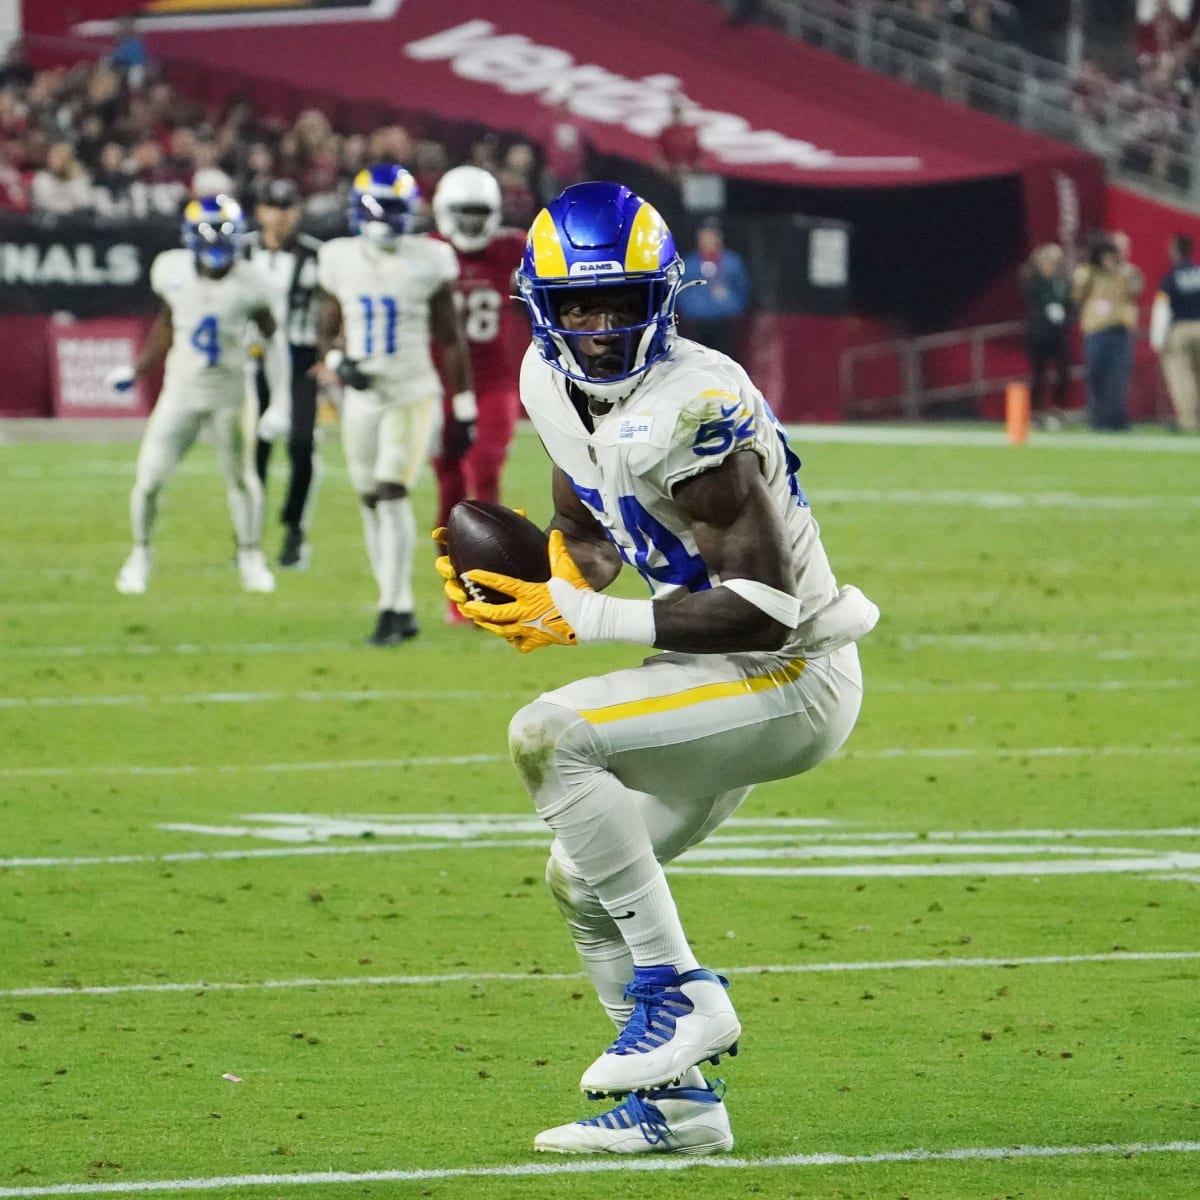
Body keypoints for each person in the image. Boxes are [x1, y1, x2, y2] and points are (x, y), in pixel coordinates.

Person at [435, 182, 878, 1154]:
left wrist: (582, 617)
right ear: (542, 307)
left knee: (549, 738)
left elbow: (764, 604)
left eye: (620, 303)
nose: (597, 328)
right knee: (582, 879)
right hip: (714, 670)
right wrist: (528, 593)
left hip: (790, 673)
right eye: (578, 307)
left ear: (663, 298)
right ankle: (681, 1111)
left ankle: (681, 995)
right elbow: (587, 530)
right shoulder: (549, 382)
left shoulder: (695, 399)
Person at [315, 163, 473, 646]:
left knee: (391, 491)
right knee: (368, 498)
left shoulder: (429, 258)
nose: (386, 219)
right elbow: (323, 330)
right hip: (362, 395)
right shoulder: (339, 257)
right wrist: (341, 362)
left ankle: (394, 604)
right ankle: (395, 604)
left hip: (412, 391)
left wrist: (463, 408)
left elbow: (450, 339)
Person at [108, 195, 288, 595]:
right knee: (149, 479)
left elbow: (275, 343)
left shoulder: (254, 283)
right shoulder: (172, 271)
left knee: (242, 479)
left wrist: (280, 401)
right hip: (181, 393)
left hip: (231, 395)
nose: (216, 249)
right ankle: (140, 554)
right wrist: (137, 370)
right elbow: (168, 324)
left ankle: (250, 555)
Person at [430, 165, 529, 623]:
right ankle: (459, 595)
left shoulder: (513, 248)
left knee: (483, 469)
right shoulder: (426, 254)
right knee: (449, 484)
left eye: (479, 214)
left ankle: (491, 582)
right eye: (462, 214)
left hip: (493, 383)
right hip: (438, 385)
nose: (471, 225)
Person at [244, 176, 326, 567]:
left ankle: (294, 529)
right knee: (251, 449)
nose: (280, 216)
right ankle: (248, 537)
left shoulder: (316, 255)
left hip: (299, 357)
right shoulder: (241, 251)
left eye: (288, 207)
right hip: (251, 359)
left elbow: (333, 309)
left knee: (300, 445)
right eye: (273, 207)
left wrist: (329, 354)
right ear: (260, 211)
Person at [1072, 234, 1135, 430]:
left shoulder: (1128, 272)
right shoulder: (1087, 272)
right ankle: (1098, 419)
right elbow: (1077, 293)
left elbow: (1135, 290)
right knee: (1096, 374)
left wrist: (1116, 271)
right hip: (1096, 329)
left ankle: (1117, 418)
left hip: (1119, 329)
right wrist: (1092, 266)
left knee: (1118, 377)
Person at [676, 217, 751, 359]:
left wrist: (734, 309)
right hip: (698, 322)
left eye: (712, 235)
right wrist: (690, 311)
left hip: (725, 322)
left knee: (725, 358)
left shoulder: (732, 262)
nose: (708, 240)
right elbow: (681, 291)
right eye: (704, 236)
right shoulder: (690, 263)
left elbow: (742, 288)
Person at [1150, 232, 1200, 432]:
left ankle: (1189, 423)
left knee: (1182, 378)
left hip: (1180, 330)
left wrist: (1157, 341)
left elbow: (1161, 311)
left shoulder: (1169, 279)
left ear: (1176, 251)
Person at [1021, 243, 1073, 428]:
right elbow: (1029, 296)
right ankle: (1037, 410)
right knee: (1038, 374)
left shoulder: (1062, 280)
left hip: (1058, 333)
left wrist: (1067, 316)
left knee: (1063, 372)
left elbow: (1070, 302)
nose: (1054, 263)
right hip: (1039, 333)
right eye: (1050, 259)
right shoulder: (1032, 279)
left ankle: (1057, 408)